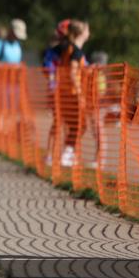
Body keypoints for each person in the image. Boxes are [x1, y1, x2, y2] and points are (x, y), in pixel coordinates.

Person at [49, 20, 90, 168]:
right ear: (82, 34)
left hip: (65, 92)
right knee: (80, 125)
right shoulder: (76, 51)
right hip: (72, 94)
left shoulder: (68, 48)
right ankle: (67, 154)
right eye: (87, 30)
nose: (89, 33)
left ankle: (67, 153)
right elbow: (73, 73)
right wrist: (80, 93)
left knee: (75, 125)